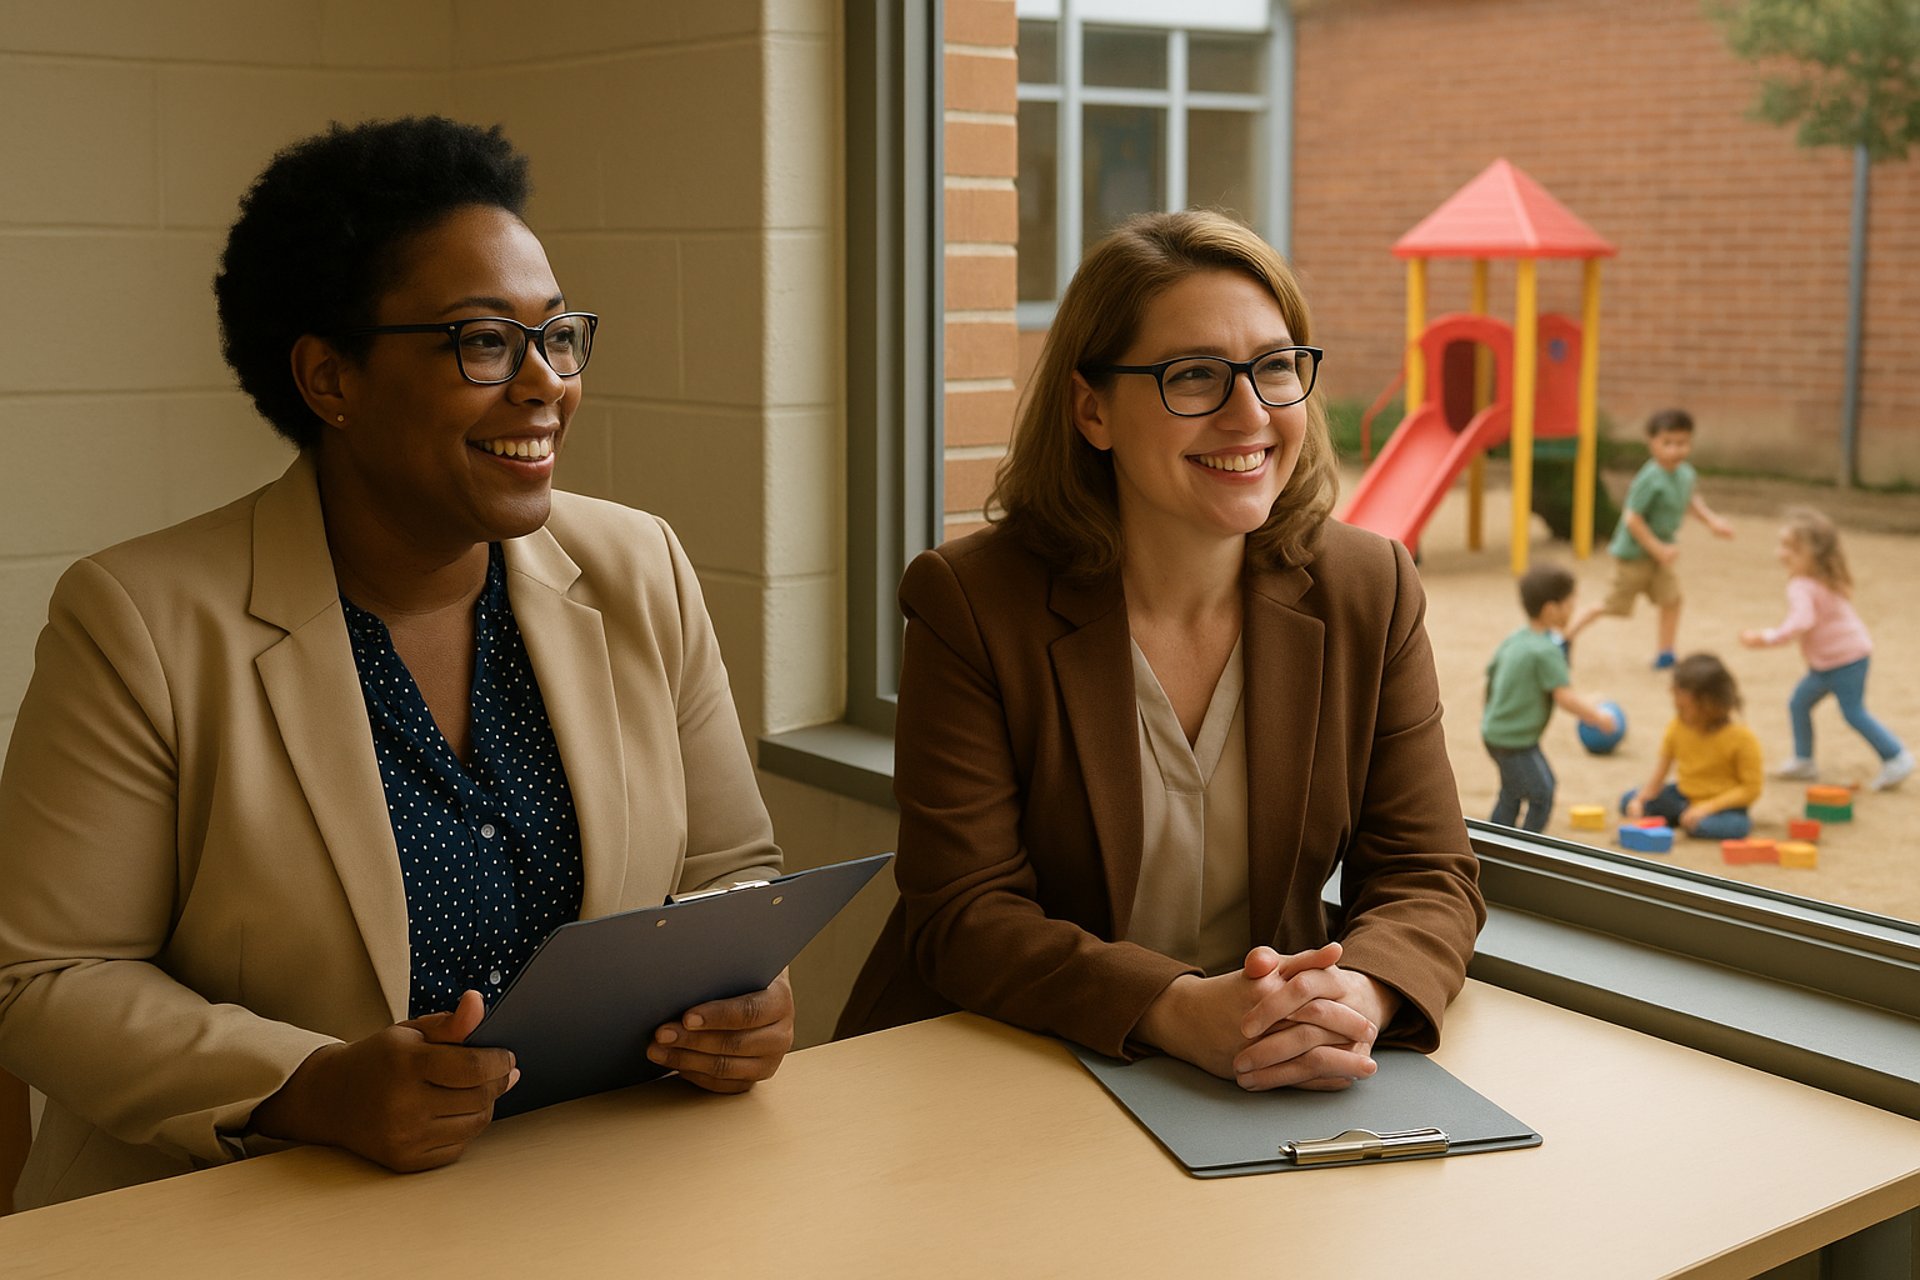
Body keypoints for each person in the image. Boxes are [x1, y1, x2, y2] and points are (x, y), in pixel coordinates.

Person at [0, 118, 793, 1210]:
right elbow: (44, 978)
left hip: (585, 1194)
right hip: (242, 1212)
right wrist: (306, 1084)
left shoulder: (636, 564)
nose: (545, 384)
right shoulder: (137, 620)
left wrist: (749, 993)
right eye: (482, 341)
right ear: (332, 377)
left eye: (557, 334)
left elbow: (729, 869)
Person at [837, 211, 1485, 1093]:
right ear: (1092, 409)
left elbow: (1427, 870)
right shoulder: (972, 600)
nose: (1248, 414)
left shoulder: (1370, 587)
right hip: (1001, 1061)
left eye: (1275, 369)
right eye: (1193, 377)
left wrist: (1354, 997)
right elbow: (964, 913)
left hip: (1250, 1067)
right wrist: (1179, 1009)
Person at [1739, 507, 1912, 791]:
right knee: (1799, 703)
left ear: (1814, 555)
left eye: (1791, 549)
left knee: (1853, 712)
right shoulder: (1823, 577)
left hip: (1845, 661)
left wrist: (1766, 637)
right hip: (1833, 662)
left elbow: (1802, 622)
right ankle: (1803, 760)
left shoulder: (1802, 585)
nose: (1781, 554)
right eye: (1783, 546)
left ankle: (1896, 757)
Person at [1565, 409, 1733, 668]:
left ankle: (1666, 652)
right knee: (1612, 605)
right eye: (1668, 443)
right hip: (1635, 556)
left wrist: (1712, 522)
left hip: (1661, 556)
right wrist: (1656, 548)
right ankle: (1565, 638)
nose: (1676, 450)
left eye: (1682, 443)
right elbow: (1632, 519)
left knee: (1672, 599)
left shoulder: (1685, 474)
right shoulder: (1649, 479)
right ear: (1652, 443)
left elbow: (1690, 500)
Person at [1482, 565, 1620, 832]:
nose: (1573, 607)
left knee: (1512, 791)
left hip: (1496, 733)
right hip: (1514, 741)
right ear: (1550, 610)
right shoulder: (1545, 651)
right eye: (1570, 602)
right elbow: (1564, 696)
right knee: (1542, 792)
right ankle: (1527, 849)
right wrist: (1597, 716)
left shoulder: (1519, 639)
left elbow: (1492, 675)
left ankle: (1495, 843)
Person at [1620, 653, 1762, 840]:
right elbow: (1660, 774)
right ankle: (1684, 817)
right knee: (1627, 800)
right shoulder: (1677, 726)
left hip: (1723, 806)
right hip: (1683, 796)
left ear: (1710, 705)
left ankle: (1686, 818)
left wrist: (1705, 808)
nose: (1677, 708)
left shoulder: (1741, 738)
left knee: (1722, 826)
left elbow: (1750, 789)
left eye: (1684, 706)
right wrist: (1639, 800)